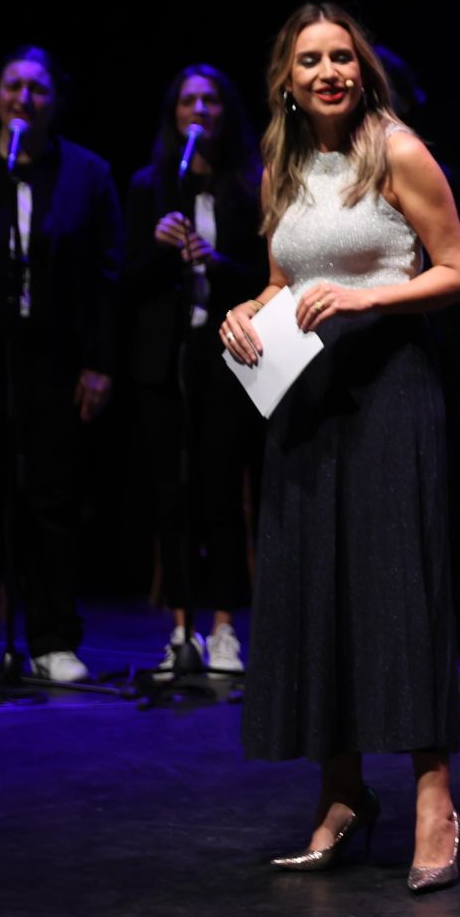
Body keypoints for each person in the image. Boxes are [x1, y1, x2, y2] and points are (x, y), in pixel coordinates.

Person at [222, 3, 460, 894]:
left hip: (391, 391)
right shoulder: (280, 167)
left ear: (362, 70)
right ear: (286, 81)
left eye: (342, 58)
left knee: (398, 589)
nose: (327, 71)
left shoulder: (397, 151)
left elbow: (457, 269)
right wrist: (250, 309)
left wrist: (367, 298)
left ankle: (433, 798)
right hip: (307, 398)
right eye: (309, 61)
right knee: (316, 589)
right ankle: (341, 795)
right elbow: (285, 278)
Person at [0, 46, 122, 688]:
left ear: (55, 101)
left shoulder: (87, 172)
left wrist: (99, 363)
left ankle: (51, 639)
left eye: (38, 90)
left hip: (53, 360)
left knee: (51, 502)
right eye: (14, 86)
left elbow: (108, 279)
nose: (24, 98)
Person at [121, 63, 265, 674]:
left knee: (221, 495)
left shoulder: (247, 185)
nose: (198, 111)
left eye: (209, 101)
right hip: (167, 359)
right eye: (188, 102)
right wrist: (158, 251)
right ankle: (180, 631)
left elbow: (268, 277)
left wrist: (217, 260)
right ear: (173, 114)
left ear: (224, 113)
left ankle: (225, 627)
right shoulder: (149, 186)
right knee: (170, 494)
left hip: (230, 356)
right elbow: (123, 283)